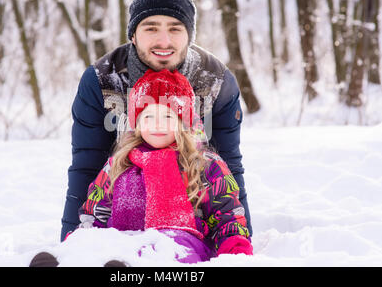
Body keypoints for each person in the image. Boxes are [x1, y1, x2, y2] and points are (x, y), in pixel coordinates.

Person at [61, 0, 252, 243]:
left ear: (189, 35)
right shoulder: (101, 80)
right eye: (151, 28)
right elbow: (86, 167)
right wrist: (71, 243)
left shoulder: (216, 80)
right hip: (123, 218)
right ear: (133, 35)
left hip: (191, 225)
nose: (164, 41)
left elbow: (229, 168)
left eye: (175, 28)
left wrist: (240, 244)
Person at [76, 69, 252, 263]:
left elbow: (227, 214)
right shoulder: (120, 163)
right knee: (107, 249)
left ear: (183, 122)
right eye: (148, 117)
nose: (157, 125)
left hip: (182, 246)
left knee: (160, 249)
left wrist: (235, 250)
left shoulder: (204, 163)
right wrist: (82, 242)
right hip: (123, 243)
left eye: (167, 117)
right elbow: (94, 213)